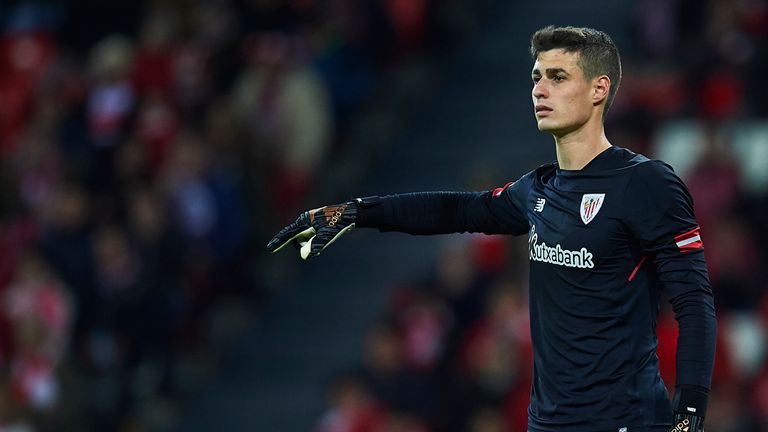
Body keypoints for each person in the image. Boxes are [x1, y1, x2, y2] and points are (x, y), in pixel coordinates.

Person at [267, 26, 716, 432]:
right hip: (548, 424)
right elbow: (455, 211)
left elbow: (694, 302)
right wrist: (355, 211)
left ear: (600, 89)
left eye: (558, 77)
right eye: (537, 77)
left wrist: (690, 413)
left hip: (628, 422)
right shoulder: (539, 189)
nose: (540, 88)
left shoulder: (645, 183)